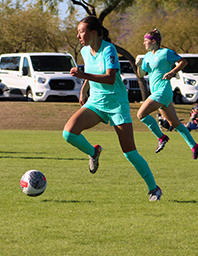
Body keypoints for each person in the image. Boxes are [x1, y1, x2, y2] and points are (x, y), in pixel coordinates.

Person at [63, 16, 162, 201]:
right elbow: (91, 72)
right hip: (96, 102)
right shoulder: (85, 51)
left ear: (93, 33)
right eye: (78, 32)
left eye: (81, 31)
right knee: (69, 133)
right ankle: (94, 152)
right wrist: (83, 90)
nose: (78, 35)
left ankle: (154, 188)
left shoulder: (109, 49)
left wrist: (83, 75)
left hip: (116, 104)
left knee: (130, 152)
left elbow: (109, 78)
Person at [136, 29, 198, 160]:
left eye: (146, 41)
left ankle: (161, 137)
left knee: (141, 114)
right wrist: (138, 66)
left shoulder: (165, 52)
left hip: (163, 91)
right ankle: (195, 146)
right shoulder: (147, 56)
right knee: (174, 123)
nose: (144, 43)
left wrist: (172, 72)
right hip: (156, 92)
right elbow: (142, 74)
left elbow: (183, 62)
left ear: (153, 41)